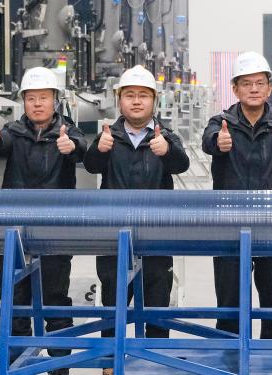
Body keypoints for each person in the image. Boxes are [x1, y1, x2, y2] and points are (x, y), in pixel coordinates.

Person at [83, 65, 189, 372]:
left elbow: (181, 165)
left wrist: (167, 151)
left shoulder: (165, 136)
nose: (137, 101)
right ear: (119, 100)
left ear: (154, 100)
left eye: (144, 95)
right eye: (130, 95)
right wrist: (99, 150)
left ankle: (154, 363)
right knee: (112, 304)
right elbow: (91, 166)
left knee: (156, 305)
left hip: (157, 236)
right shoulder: (109, 136)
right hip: (114, 236)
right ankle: (109, 364)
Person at [0, 66, 87, 374]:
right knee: (15, 299)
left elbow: (83, 150)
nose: (37, 103)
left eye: (43, 97)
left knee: (55, 298)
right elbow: (0, 144)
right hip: (15, 229)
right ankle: (18, 364)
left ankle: (60, 365)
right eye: (31, 98)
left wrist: (72, 148)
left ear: (55, 100)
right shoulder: (14, 132)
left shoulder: (68, 132)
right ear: (24, 102)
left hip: (55, 229)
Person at [201, 52, 272, 339]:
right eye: (246, 84)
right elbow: (208, 141)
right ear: (235, 89)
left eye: (260, 83)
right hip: (230, 226)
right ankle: (229, 358)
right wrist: (218, 142)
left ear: (269, 88)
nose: (254, 89)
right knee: (229, 305)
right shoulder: (220, 122)